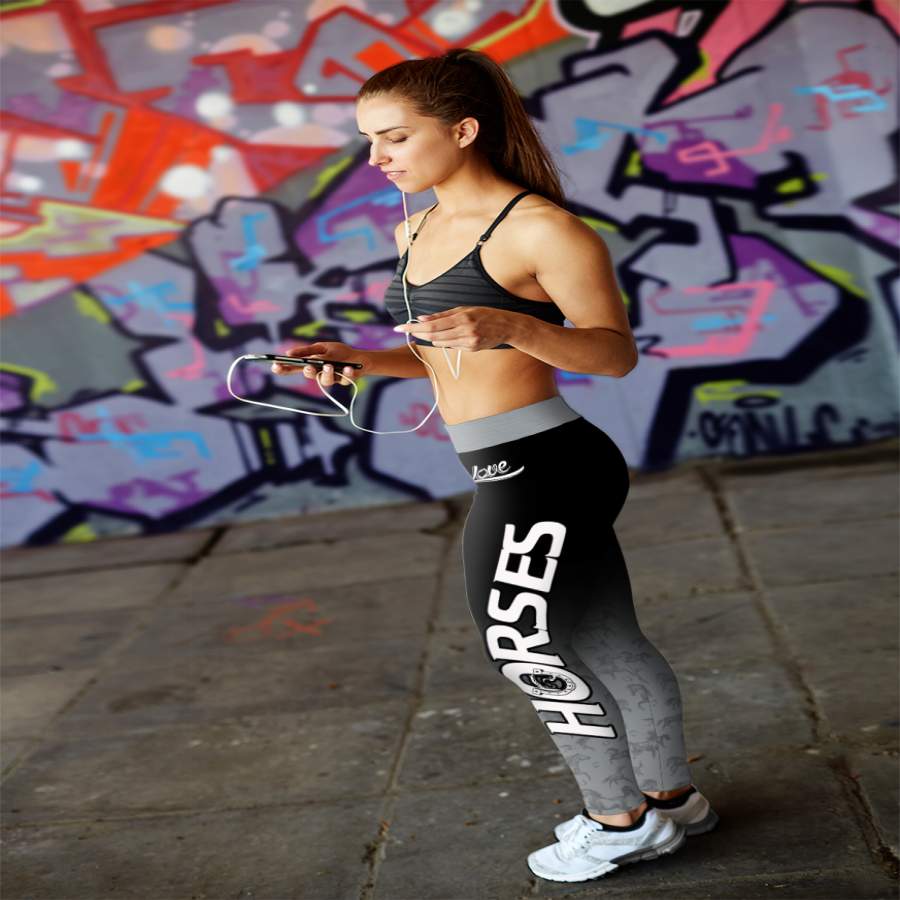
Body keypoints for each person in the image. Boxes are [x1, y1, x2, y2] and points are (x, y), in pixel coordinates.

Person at [272, 47, 717, 884]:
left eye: (395, 137)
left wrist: (515, 327)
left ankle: (617, 822)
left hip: (546, 463)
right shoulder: (413, 229)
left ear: (463, 130)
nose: (377, 158)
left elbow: (614, 354)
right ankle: (673, 800)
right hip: (504, 461)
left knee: (522, 641)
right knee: (605, 637)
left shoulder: (542, 229)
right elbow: (436, 352)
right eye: (369, 140)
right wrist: (357, 359)